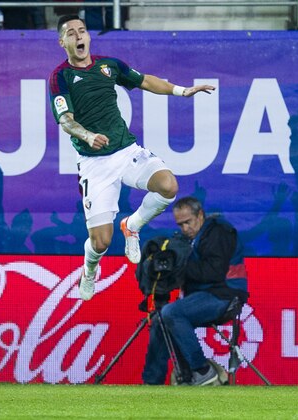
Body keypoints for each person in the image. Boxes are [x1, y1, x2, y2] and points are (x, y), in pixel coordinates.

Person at [48, 15, 215, 301]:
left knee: (168, 186)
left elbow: (146, 81)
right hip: (94, 164)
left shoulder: (108, 66)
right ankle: (90, 269)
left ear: (88, 37)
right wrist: (88, 136)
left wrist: (182, 91)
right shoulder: (60, 77)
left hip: (126, 152)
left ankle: (133, 225)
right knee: (100, 242)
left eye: (82, 31)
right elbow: (65, 120)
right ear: (63, 42)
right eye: (71, 33)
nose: (79, 36)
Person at [141, 196, 249, 385]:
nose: (184, 228)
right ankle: (152, 383)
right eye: (180, 224)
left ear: (200, 215)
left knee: (172, 312)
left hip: (225, 294)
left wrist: (179, 267)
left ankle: (202, 371)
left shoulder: (219, 232)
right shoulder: (187, 238)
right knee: (160, 320)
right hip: (203, 295)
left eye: (188, 222)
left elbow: (213, 273)